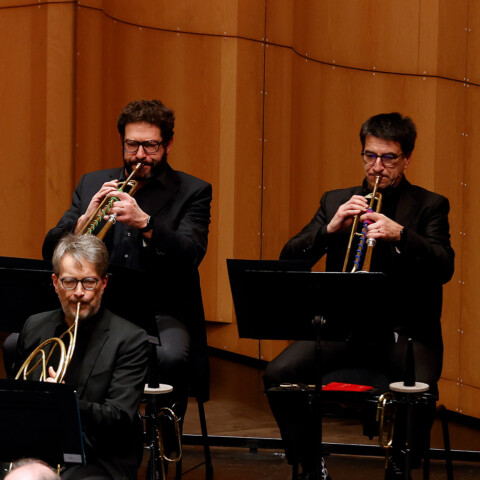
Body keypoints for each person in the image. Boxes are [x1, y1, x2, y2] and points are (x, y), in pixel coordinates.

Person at [263, 113, 455, 480]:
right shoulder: (336, 200)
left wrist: (403, 235)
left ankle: (400, 466)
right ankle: (309, 464)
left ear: (407, 159)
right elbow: (290, 256)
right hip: (344, 329)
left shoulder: (429, 205)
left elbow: (444, 267)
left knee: (417, 391)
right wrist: (331, 229)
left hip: (406, 329)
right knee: (279, 373)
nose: (377, 167)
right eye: (370, 156)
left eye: (389, 158)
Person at [42, 99, 212, 418]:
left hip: (160, 310)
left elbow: (191, 253)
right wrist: (82, 222)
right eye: (132, 144)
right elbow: (50, 248)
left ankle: (163, 435)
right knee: (19, 342)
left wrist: (146, 223)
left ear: (168, 144)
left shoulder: (193, 191)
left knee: (172, 356)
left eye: (150, 146)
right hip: (96, 305)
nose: (139, 155)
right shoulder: (93, 183)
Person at [15, 235, 149, 480]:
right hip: (40, 449)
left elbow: (119, 418)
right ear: (55, 283)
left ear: (103, 283)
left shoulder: (130, 339)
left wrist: (64, 400)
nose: (79, 293)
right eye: (69, 282)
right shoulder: (34, 327)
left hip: (100, 457)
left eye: (88, 282)